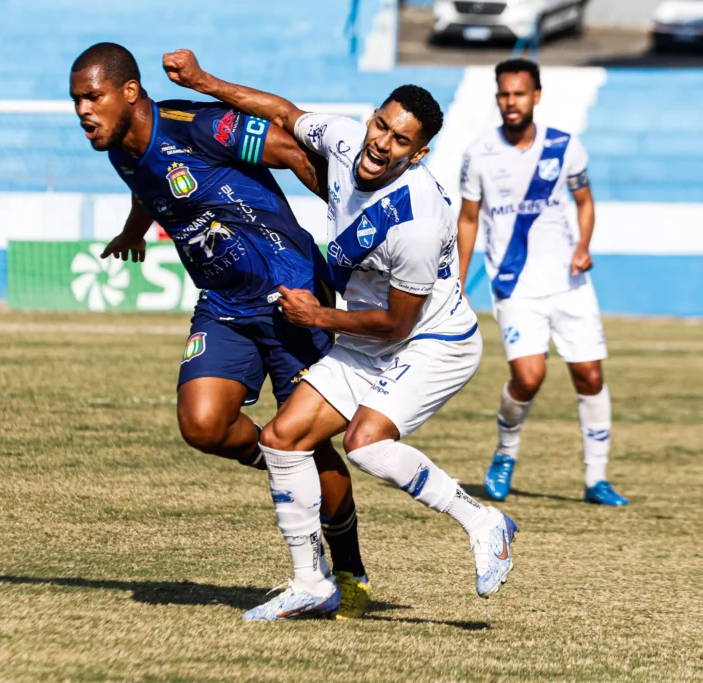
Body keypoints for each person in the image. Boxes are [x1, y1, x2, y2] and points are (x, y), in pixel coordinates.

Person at [163, 48, 517, 622]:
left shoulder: (418, 223)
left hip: (432, 343)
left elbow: (398, 323)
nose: (382, 143)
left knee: (366, 444)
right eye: (382, 124)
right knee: (282, 439)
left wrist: (317, 317)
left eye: (401, 141)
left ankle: (485, 521)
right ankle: (312, 583)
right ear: (373, 116)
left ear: (418, 153)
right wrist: (204, 80)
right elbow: (282, 112)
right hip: (367, 339)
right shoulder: (350, 139)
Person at [69, 43, 372, 618]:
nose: (83, 110)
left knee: (311, 441)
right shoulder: (119, 148)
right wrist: (135, 231)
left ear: (128, 92)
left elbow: (291, 149)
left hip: (290, 295)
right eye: (77, 100)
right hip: (223, 302)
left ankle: (350, 572)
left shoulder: (199, 126)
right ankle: (279, 458)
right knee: (203, 424)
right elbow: (150, 187)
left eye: (92, 96)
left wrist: (347, 224)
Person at [457, 59, 627, 507]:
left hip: (569, 283)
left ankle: (597, 478)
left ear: (536, 96)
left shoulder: (563, 147)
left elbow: (585, 202)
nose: (510, 102)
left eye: (518, 93)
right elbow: (468, 219)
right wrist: (457, 278)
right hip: (515, 285)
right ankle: (505, 454)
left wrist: (583, 245)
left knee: (590, 375)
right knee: (528, 378)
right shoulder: (479, 153)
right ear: (498, 98)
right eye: (503, 94)